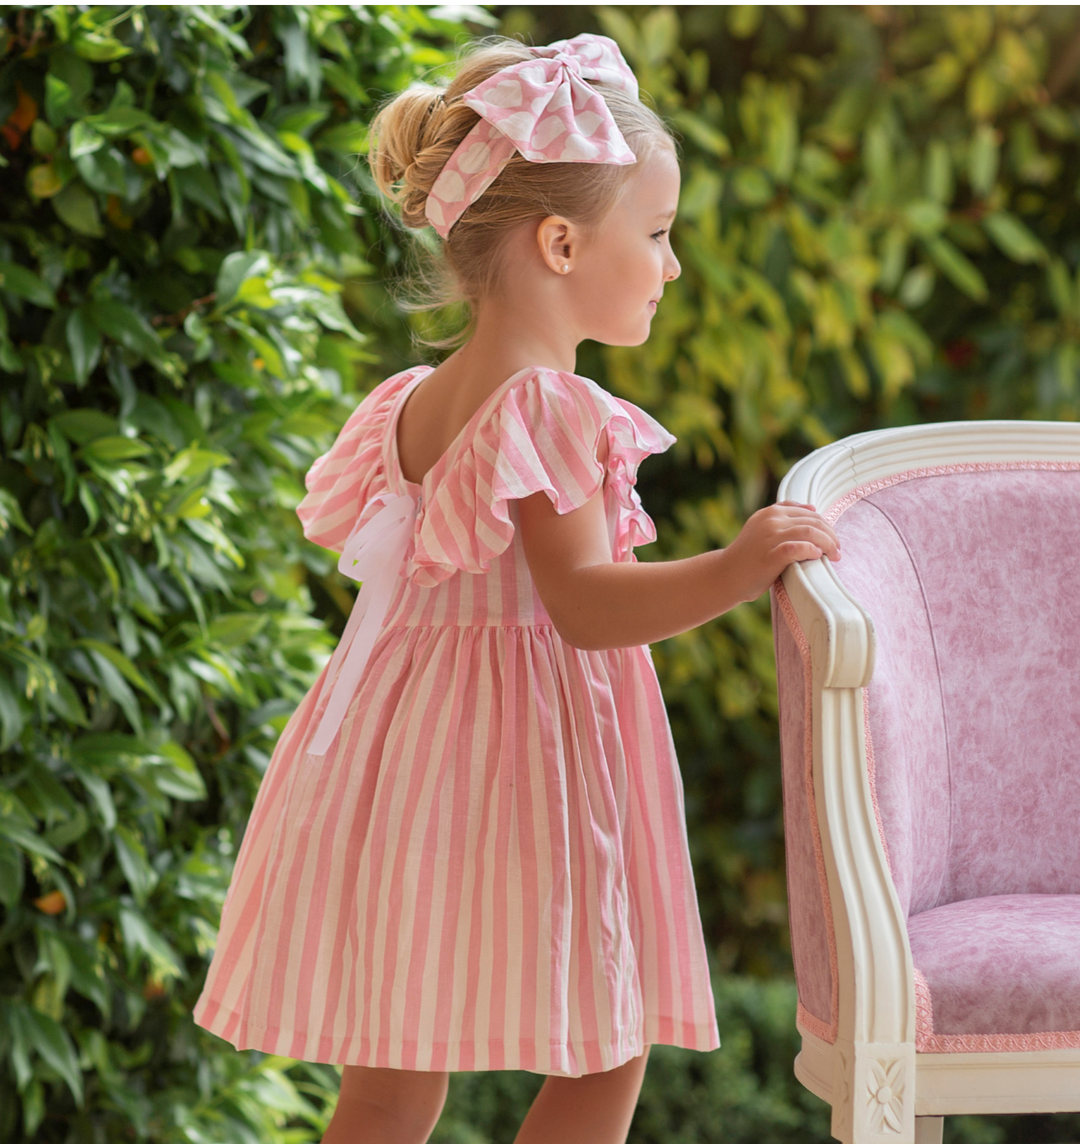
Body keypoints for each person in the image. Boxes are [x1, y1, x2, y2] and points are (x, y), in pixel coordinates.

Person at [192, 32, 841, 1144]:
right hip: (523, 760)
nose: (673, 265)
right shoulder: (546, 405)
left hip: (397, 761)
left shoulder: (413, 398)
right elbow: (586, 607)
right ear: (558, 241)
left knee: (392, 1078)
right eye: (657, 233)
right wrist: (740, 568)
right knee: (605, 1047)